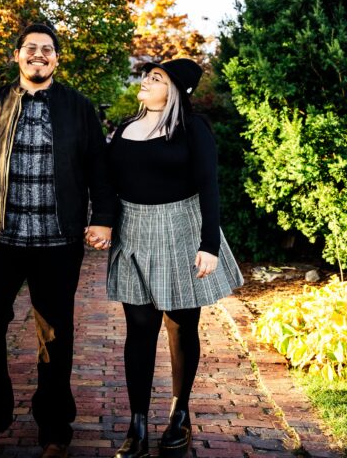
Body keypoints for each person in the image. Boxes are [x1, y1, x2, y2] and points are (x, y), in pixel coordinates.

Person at [0, 22, 115, 458]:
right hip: (0, 237)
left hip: (58, 242)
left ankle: (54, 430)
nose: (39, 55)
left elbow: (99, 168)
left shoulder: (79, 108)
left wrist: (104, 218)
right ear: (17, 56)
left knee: (54, 336)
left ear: (56, 59)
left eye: (48, 50)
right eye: (31, 48)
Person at [94, 58, 243, 458]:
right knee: (139, 329)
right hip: (134, 232)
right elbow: (108, 181)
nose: (146, 81)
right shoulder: (126, 127)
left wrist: (208, 244)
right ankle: (137, 425)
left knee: (180, 325)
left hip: (181, 230)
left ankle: (179, 414)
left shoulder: (193, 129)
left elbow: (210, 187)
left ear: (175, 90)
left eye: (155, 78)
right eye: (147, 75)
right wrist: (103, 221)